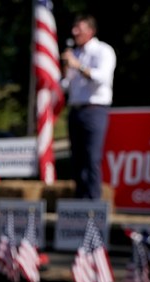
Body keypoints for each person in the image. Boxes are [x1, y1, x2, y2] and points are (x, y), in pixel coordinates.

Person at [61, 14, 116, 200]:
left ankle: (93, 203)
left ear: (90, 31)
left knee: (92, 158)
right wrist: (65, 69)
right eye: (74, 28)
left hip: (95, 110)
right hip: (75, 110)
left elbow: (101, 78)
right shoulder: (74, 53)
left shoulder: (103, 51)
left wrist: (78, 66)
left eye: (79, 29)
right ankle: (80, 202)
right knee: (77, 161)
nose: (74, 32)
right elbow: (65, 85)